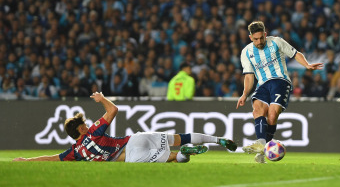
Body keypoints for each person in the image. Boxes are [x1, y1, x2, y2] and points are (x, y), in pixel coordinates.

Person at [13, 92, 237, 162]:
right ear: (81, 129)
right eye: (84, 124)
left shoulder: (75, 152)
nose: (87, 125)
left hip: (129, 156)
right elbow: (113, 111)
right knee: (178, 137)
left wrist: (25, 161)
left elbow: (51, 158)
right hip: (133, 140)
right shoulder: (93, 132)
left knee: (172, 158)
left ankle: (185, 155)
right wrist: (102, 99)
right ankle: (218, 140)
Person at [236, 21, 323, 163]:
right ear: (251, 37)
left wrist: (307, 65)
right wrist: (245, 93)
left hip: (280, 81)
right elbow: (249, 76)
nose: (259, 42)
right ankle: (262, 147)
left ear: (265, 34)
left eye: (261, 38)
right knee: (257, 110)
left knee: (272, 115)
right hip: (263, 84)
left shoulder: (276, 42)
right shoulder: (246, 52)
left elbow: (295, 53)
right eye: (255, 39)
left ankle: (262, 148)